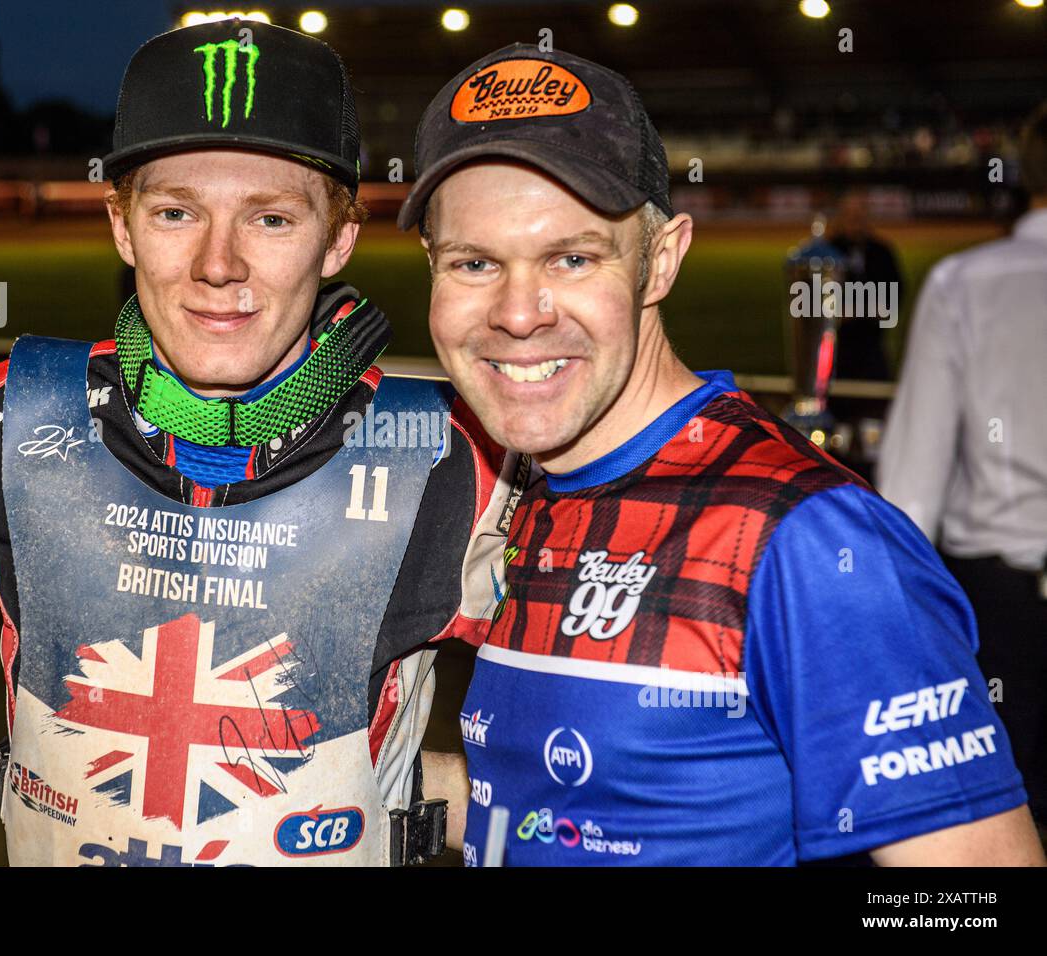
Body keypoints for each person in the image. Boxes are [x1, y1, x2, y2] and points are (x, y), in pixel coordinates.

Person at [0, 20, 519, 867]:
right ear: (122, 226)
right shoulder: (10, 417)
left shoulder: (454, 461)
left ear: (338, 237)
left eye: (269, 218)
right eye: (175, 212)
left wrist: (414, 789)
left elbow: (589, 746)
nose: (216, 264)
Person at [395, 43, 1045, 866]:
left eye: (572, 257)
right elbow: (555, 808)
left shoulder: (808, 538)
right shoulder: (521, 490)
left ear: (659, 261)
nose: (518, 313)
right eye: (475, 263)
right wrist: (356, 780)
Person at [877, 101, 1047, 826]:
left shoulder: (964, 283)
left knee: (1003, 814)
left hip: (1007, 607)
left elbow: (911, 486)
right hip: (1005, 597)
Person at [827, 189, 905, 382]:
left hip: (873, 352)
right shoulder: (825, 254)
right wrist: (867, 309)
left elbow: (891, 302)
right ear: (840, 216)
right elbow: (820, 309)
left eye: (860, 213)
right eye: (850, 214)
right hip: (835, 355)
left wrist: (850, 311)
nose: (855, 219)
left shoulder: (882, 253)